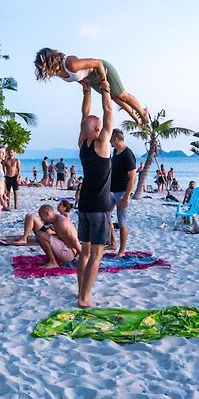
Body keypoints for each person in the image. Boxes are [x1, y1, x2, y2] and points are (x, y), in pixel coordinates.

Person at [34, 48, 148, 125]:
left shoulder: (70, 63)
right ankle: (133, 115)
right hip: (91, 79)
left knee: (121, 94)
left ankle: (142, 112)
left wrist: (103, 80)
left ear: (49, 62)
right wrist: (83, 83)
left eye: (43, 68)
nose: (43, 72)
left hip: (101, 70)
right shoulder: (57, 72)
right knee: (113, 97)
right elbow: (76, 77)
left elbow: (97, 63)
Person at [76, 78, 114, 308]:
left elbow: (84, 115)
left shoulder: (82, 144)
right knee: (96, 255)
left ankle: (81, 291)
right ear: (97, 130)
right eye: (98, 125)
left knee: (85, 252)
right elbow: (108, 109)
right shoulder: (101, 145)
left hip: (85, 206)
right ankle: (84, 298)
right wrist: (106, 89)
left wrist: (87, 91)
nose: (101, 127)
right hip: (99, 207)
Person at [110, 128, 137, 256]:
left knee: (122, 223)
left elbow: (133, 178)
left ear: (115, 139)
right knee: (105, 216)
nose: (109, 141)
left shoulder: (128, 154)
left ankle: (122, 250)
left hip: (122, 193)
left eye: (110, 138)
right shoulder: (115, 151)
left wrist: (126, 197)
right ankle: (112, 243)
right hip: (110, 191)